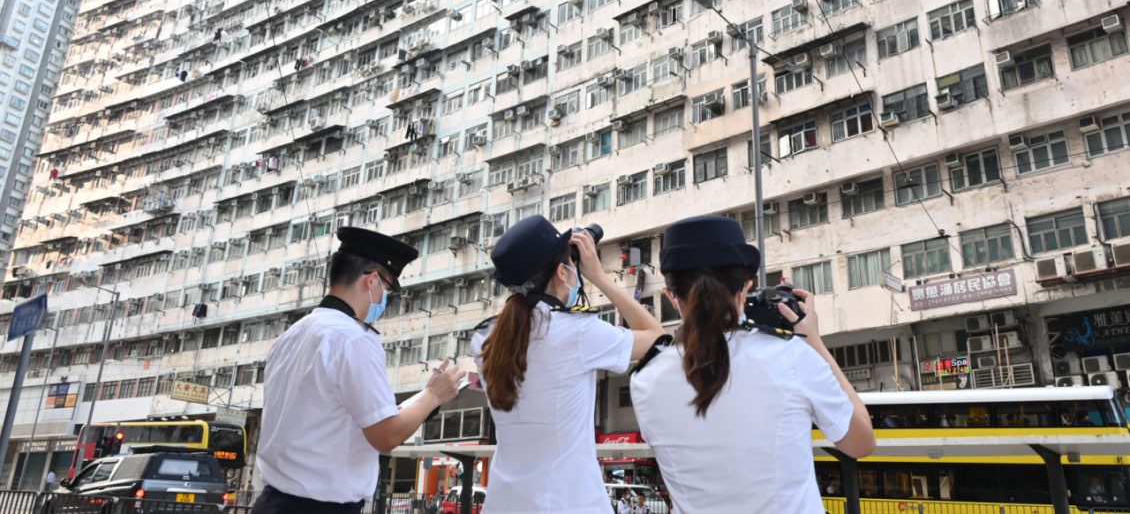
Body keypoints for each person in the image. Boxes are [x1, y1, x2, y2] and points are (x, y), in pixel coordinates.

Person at [630, 215, 876, 513]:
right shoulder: (792, 356)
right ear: (746, 288)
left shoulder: (645, 379)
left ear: (671, 297)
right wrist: (813, 340)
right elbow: (861, 443)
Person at [252, 227, 466, 514]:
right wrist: (434, 396)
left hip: (272, 502)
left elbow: (361, 417)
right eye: (388, 289)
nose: (385, 298)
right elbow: (386, 436)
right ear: (372, 281)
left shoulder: (292, 335)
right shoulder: (354, 339)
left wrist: (426, 396)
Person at [471, 216, 665, 513]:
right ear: (562, 272)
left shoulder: (485, 338)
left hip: (504, 503)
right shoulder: (577, 333)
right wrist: (599, 276)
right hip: (567, 503)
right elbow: (657, 338)